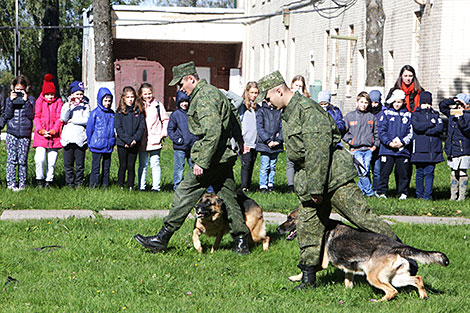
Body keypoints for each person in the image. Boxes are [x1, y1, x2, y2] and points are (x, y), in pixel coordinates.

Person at [255, 71, 398, 289]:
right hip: (313, 180)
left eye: (267, 98)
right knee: (308, 225)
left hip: (334, 178)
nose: (267, 103)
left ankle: (402, 256)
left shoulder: (307, 111)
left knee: (363, 219)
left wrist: (315, 188)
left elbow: (318, 152)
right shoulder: (289, 112)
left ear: (279, 90)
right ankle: (308, 277)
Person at [134, 61, 251, 255]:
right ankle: (241, 242)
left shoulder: (203, 97)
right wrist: (239, 140)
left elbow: (212, 132)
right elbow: (231, 115)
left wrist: (202, 162)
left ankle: (162, 238)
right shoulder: (214, 92)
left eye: (181, 84)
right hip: (224, 157)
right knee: (229, 199)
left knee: (184, 194)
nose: (181, 89)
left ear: (191, 78)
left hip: (211, 159)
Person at [376, 89, 413, 200]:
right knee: (385, 172)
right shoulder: (386, 113)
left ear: (403, 102)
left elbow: (410, 132)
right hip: (387, 149)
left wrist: (402, 142)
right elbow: (382, 131)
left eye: (399, 102)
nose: (397, 104)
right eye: (395, 102)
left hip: (403, 150)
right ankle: (381, 192)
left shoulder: (408, 115)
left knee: (403, 173)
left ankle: (403, 192)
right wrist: (389, 142)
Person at [2, 75, 35, 191]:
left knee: (22, 160)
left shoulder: (31, 100)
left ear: (26, 89)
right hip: (12, 132)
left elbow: (31, 115)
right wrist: (11, 101)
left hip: (25, 133)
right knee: (11, 159)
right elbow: (7, 115)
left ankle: (22, 184)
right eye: (17, 89)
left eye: (21, 89)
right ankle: (11, 183)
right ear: (13, 89)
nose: (19, 92)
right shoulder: (8, 99)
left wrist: (26, 102)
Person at [343, 91, 378, 197]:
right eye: (361, 102)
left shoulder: (371, 117)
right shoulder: (350, 116)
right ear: (357, 102)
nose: (363, 104)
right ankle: (369, 193)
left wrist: (374, 146)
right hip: (356, 149)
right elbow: (343, 132)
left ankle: (359, 192)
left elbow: (376, 133)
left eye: (366, 102)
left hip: (368, 149)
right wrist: (350, 141)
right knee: (362, 172)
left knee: (365, 171)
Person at [411, 91, 444, 200]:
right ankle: (419, 195)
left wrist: (427, 131)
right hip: (420, 149)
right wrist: (430, 124)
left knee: (429, 172)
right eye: (424, 103)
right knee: (419, 173)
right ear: (420, 103)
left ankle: (428, 196)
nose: (426, 105)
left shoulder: (435, 114)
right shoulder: (415, 114)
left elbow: (439, 127)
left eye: (428, 103)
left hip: (432, 150)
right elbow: (417, 126)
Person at [137, 83, 169, 192]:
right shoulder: (138, 106)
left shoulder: (158, 105)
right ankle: (141, 186)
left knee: (155, 164)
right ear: (141, 95)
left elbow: (165, 119)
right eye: (145, 94)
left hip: (155, 139)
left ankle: (156, 187)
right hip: (143, 140)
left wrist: (163, 133)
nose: (147, 96)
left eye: (149, 93)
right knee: (143, 164)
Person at [33, 74, 63, 188]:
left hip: (54, 138)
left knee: (52, 162)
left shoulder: (58, 102)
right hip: (41, 136)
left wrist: (54, 130)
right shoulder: (39, 101)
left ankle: (49, 181)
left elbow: (59, 118)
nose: (50, 97)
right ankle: (39, 180)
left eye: (52, 94)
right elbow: (37, 116)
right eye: (48, 94)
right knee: (39, 159)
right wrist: (40, 130)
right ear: (44, 93)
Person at [439, 93, 470, 200]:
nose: (459, 106)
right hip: (452, 148)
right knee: (453, 172)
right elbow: (442, 106)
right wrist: (453, 100)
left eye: (461, 104)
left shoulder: (468, 115)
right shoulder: (452, 114)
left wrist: (460, 118)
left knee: (462, 172)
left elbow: (467, 130)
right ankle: (453, 196)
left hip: (464, 149)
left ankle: (461, 196)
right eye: (458, 104)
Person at [115, 86, 146, 190]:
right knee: (123, 165)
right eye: (128, 97)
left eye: (132, 97)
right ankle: (120, 185)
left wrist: (134, 140)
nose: (130, 99)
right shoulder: (119, 112)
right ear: (123, 98)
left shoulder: (138, 111)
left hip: (134, 143)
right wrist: (127, 140)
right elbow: (118, 128)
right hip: (122, 143)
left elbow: (141, 127)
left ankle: (130, 186)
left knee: (131, 166)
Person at [60, 81, 90, 188]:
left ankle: (79, 183)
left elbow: (86, 120)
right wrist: (69, 105)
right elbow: (63, 118)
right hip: (68, 138)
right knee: (68, 164)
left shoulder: (85, 106)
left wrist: (73, 120)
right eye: (77, 94)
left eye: (81, 94)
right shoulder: (66, 105)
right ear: (72, 95)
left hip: (80, 139)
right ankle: (69, 183)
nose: (79, 96)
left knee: (79, 164)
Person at [167, 90, 198, 191]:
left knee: (193, 168)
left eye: (186, 101)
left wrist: (195, 139)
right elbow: (170, 130)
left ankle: (193, 187)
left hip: (192, 146)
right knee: (179, 169)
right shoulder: (175, 115)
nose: (184, 104)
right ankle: (177, 188)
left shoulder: (192, 113)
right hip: (180, 147)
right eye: (182, 102)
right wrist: (178, 140)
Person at [86, 87, 115, 188]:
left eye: (109, 101)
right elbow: (89, 130)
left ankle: (105, 186)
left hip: (108, 145)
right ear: (100, 100)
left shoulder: (112, 114)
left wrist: (112, 140)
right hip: (97, 145)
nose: (107, 103)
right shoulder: (95, 113)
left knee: (106, 167)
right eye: (105, 100)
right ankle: (93, 185)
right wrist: (90, 143)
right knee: (96, 167)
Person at [286, 75, 310, 192]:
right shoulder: (287, 98)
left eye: (300, 86)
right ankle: (291, 186)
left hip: (301, 134)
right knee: (290, 161)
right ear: (292, 85)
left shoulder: (306, 99)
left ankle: (301, 185)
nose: (298, 88)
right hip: (290, 133)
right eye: (296, 85)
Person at [256, 99, 283, 192]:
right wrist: (268, 140)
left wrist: (278, 140)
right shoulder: (261, 111)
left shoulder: (278, 111)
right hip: (265, 144)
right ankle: (263, 185)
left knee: (273, 165)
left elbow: (282, 127)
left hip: (276, 144)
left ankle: (270, 183)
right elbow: (260, 128)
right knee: (265, 165)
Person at [239, 82, 259, 192]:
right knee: (246, 164)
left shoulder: (257, 107)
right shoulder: (242, 106)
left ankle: (249, 186)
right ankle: (243, 186)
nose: (254, 95)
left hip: (254, 140)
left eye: (256, 93)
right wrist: (241, 142)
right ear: (247, 92)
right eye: (252, 92)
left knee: (251, 163)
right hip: (246, 140)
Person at [368, 90, 384, 192]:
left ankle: (376, 189)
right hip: (367, 145)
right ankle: (367, 189)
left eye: (376, 102)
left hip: (379, 146)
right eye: (372, 102)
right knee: (365, 170)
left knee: (377, 170)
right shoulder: (366, 113)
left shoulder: (383, 113)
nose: (374, 105)